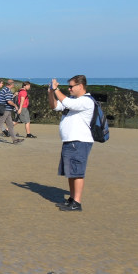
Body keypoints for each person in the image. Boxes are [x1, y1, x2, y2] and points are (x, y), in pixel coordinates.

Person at [48, 75, 94, 212]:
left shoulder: (86, 101)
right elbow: (55, 106)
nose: (69, 89)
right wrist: (51, 92)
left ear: (80, 86)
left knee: (77, 172)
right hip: (69, 141)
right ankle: (72, 199)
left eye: (71, 86)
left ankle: (77, 202)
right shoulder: (73, 100)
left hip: (79, 141)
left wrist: (56, 89)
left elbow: (68, 103)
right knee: (71, 172)